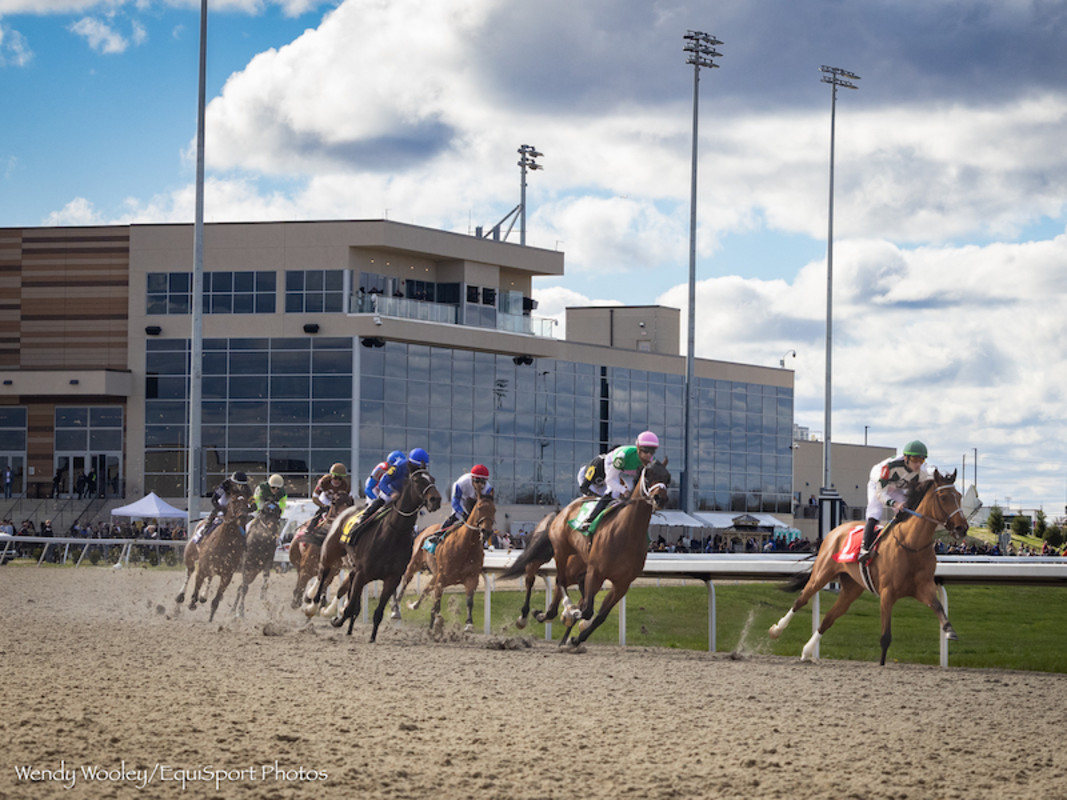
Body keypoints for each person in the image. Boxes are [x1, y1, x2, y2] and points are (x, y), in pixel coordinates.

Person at [858, 440, 932, 564]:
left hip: (897, 488)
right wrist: (895, 504)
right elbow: (881, 494)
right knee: (875, 511)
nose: (918, 464)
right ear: (906, 458)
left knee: (907, 512)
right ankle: (865, 547)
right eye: (915, 459)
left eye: (922, 460)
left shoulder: (923, 472)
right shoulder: (888, 468)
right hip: (879, 486)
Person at [342, 448, 429, 544]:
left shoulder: (418, 473)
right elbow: (381, 484)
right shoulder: (396, 467)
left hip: (402, 493)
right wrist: (390, 493)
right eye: (416, 467)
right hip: (387, 490)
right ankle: (359, 525)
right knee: (379, 506)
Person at [578, 431, 659, 532]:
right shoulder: (621, 456)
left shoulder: (651, 460)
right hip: (611, 466)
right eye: (646, 451)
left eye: (652, 452)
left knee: (633, 492)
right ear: (638, 448)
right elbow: (609, 480)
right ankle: (589, 520)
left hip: (626, 470)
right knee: (613, 492)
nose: (649, 455)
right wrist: (623, 490)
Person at [438, 464, 494, 535]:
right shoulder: (460, 483)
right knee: (456, 515)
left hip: (476, 501)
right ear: (472, 479)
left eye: (483, 482)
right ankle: (441, 532)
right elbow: (455, 503)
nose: (480, 485)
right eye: (477, 481)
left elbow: (484, 507)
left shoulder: (488, 489)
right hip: (462, 498)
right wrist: (463, 513)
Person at [201, 471, 253, 540]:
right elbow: (214, 500)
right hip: (226, 499)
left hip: (239, 504)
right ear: (233, 482)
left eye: (242, 485)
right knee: (217, 509)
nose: (240, 487)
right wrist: (222, 509)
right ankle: (207, 527)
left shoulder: (247, 489)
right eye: (238, 484)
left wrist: (245, 510)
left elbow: (254, 506)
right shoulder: (225, 485)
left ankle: (245, 537)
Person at [307, 463, 352, 529]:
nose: (337, 481)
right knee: (319, 512)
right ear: (331, 476)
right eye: (335, 477)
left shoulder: (346, 485)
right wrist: (323, 506)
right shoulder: (324, 481)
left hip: (338, 502)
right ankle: (310, 528)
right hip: (325, 499)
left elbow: (350, 501)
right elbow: (315, 497)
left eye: (340, 479)